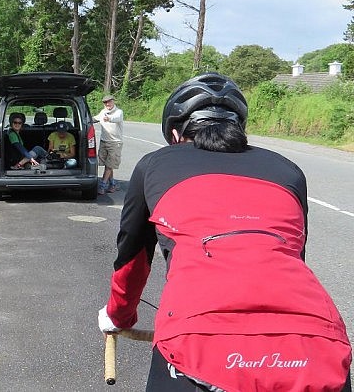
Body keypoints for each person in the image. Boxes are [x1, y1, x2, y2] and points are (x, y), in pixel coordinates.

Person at [97, 72, 352, 391]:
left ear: (176, 135)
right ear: (237, 129)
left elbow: (133, 260)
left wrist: (118, 316)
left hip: (197, 344)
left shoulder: (154, 164)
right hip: (317, 345)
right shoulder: (288, 171)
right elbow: (290, 258)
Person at [94, 94, 123, 195]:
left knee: (109, 166)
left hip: (115, 143)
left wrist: (109, 119)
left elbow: (116, 118)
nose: (108, 104)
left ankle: (103, 185)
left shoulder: (119, 112)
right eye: (105, 102)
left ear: (113, 101)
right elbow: (95, 118)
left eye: (109, 101)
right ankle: (113, 184)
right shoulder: (103, 112)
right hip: (104, 141)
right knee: (107, 165)